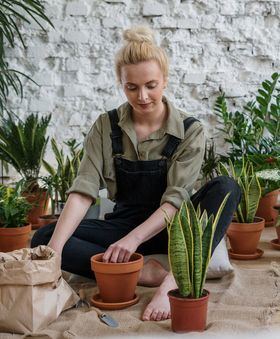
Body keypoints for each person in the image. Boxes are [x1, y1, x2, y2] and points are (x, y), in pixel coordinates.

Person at [31, 26, 241, 322]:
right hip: (124, 222)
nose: (142, 96)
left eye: (151, 85)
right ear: (121, 83)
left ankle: (172, 282)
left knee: (227, 186)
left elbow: (175, 201)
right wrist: (53, 254)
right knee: (45, 236)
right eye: (132, 87)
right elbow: (83, 191)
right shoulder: (106, 126)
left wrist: (132, 241)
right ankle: (142, 271)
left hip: (174, 227)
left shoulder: (190, 131)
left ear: (165, 80)